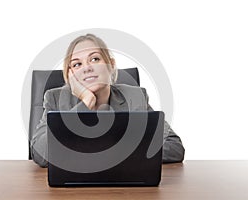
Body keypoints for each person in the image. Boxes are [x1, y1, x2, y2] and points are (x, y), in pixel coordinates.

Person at [31, 34, 185, 167]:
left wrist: (109, 153)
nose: (87, 68)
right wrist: (86, 102)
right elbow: (41, 153)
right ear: (70, 75)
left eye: (95, 59)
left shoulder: (135, 97)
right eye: (77, 64)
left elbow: (174, 147)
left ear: (111, 65)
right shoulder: (54, 98)